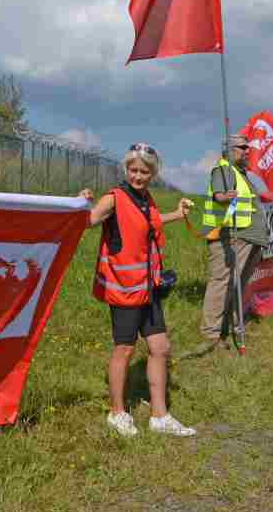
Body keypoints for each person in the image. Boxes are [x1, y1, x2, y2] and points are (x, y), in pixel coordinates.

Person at [82, 143, 196, 438]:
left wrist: (177, 214)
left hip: (149, 290)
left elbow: (151, 223)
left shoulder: (146, 199)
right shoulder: (114, 198)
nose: (138, 176)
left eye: (144, 171)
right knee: (125, 349)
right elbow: (89, 221)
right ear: (126, 169)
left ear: (153, 173)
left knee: (160, 348)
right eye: (133, 170)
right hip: (124, 290)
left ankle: (160, 416)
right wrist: (82, 203)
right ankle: (117, 413)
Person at [200, 133, 260, 349]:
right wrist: (225, 197)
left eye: (247, 147)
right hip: (230, 237)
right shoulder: (224, 169)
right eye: (242, 147)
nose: (247, 151)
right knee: (222, 283)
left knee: (238, 285)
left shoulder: (240, 173)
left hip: (248, 237)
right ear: (229, 149)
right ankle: (212, 336)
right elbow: (219, 195)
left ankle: (233, 326)